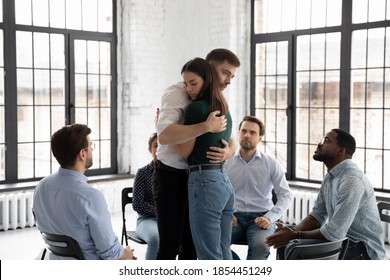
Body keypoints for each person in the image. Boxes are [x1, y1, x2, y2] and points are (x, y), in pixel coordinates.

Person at [154, 48, 240, 260]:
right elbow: (164, 135)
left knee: (193, 247)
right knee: (170, 245)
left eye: (232, 76)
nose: (228, 80)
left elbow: (228, 134)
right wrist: (205, 126)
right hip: (172, 176)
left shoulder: (216, 99)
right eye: (226, 73)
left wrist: (229, 150)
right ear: (209, 69)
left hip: (199, 178)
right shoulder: (177, 93)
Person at [265, 128, 387, 260]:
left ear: (341, 151)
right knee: (285, 240)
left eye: (326, 141)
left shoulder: (351, 180)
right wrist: (290, 233)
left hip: (363, 250)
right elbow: (317, 215)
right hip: (342, 240)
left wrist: (295, 235)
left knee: (295, 249)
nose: (319, 144)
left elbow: (335, 232)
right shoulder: (331, 176)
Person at [32, 124, 136, 260]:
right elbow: (110, 253)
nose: (92, 150)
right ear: (82, 154)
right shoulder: (90, 197)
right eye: (91, 146)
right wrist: (125, 253)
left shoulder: (41, 186)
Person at [173, 57, 234, 260]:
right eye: (185, 84)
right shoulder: (224, 107)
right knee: (224, 252)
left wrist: (163, 129)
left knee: (209, 256)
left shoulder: (196, 109)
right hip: (223, 182)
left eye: (193, 83)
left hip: (204, 182)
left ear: (206, 80)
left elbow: (184, 151)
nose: (188, 89)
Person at [225, 116, 292, 260]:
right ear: (238, 133)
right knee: (213, 243)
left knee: (261, 247)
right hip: (233, 216)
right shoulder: (226, 162)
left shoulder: (271, 163)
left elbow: (286, 195)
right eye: (244, 131)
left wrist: (270, 217)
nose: (247, 135)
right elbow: (217, 192)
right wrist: (226, 213)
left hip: (261, 217)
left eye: (252, 132)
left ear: (260, 138)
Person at [132, 132, 159, 260]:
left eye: (163, 145)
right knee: (156, 238)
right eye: (156, 146)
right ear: (150, 149)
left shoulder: (175, 174)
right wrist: (161, 212)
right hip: (147, 220)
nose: (159, 149)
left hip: (171, 221)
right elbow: (137, 204)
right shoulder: (142, 173)